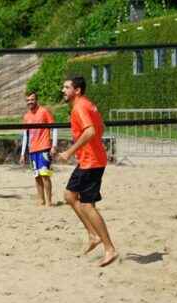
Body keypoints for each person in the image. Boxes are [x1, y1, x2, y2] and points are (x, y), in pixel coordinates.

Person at [56, 76, 117, 267]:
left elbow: (90, 131)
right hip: (88, 160)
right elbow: (101, 127)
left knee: (87, 205)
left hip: (92, 162)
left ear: (77, 90)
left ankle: (109, 248)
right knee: (69, 195)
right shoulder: (88, 105)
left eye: (67, 87)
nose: (63, 90)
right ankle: (92, 235)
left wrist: (69, 152)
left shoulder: (80, 107)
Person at [19, 91, 58, 206]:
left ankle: (49, 201)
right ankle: (41, 200)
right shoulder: (26, 116)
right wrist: (23, 153)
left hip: (44, 147)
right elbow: (26, 135)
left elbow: (54, 128)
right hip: (33, 150)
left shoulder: (44, 111)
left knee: (45, 175)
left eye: (32, 99)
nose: (30, 102)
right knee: (37, 176)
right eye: (28, 100)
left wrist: (54, 145)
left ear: (36, 100)